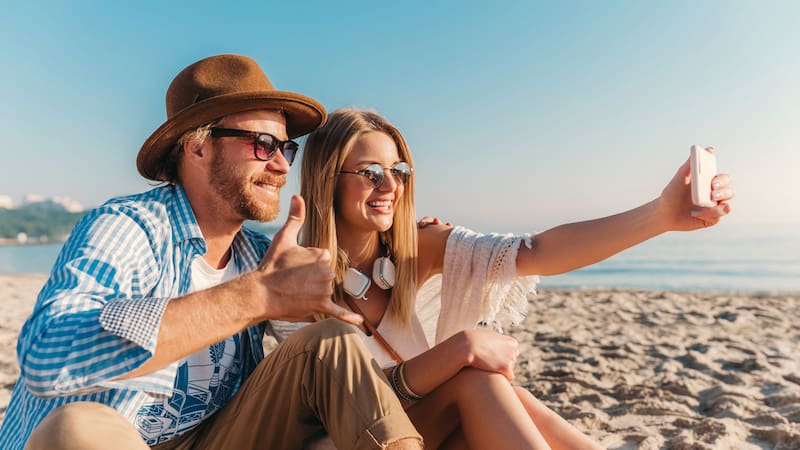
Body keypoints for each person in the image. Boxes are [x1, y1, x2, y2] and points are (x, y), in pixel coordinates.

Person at [0, 56, 424, 450]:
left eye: (285, 148)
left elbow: (340, 378)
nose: (281, 165)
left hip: (214, 439)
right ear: (198, 146)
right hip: (115, 440)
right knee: (75, 425)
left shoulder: (260, 256)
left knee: (328, 343)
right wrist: (254, 297)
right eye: (263, 144)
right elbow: (45, 355)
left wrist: (399, 248)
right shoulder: (129, 228)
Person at [296, 108, 735, 449]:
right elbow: (325, 417)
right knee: (475, 380)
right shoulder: (292, 278)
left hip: (423, 432)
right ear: (327, 179)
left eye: (399, 171)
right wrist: (458, 351)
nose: (391, 186)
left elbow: (539, 251)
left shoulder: (413, 250)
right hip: (353, 442)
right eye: (371, 173)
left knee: (504, 395)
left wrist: (661, 215)